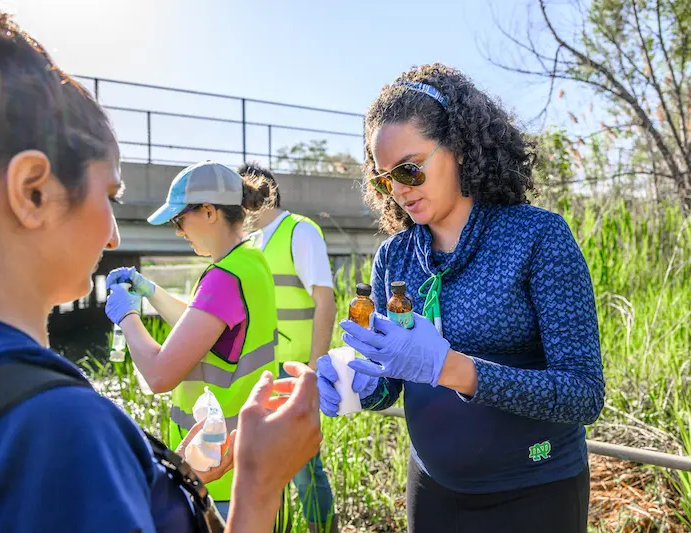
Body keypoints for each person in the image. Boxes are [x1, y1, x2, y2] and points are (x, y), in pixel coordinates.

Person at [0, 6, 321, 532]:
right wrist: (259, 487)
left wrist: (171, 475)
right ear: (33, 192)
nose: (114, 234)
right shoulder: (63, 429)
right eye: (109, 195)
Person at [316, 64, 605, 533]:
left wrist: (454, 368)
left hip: (534, 492)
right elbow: (396, 380)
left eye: (410, 168)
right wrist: (363, 382)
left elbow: (583, 395)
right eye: (385, 178)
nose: (401, 189)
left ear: (459, 148)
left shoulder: (537, 237)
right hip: (433, 494)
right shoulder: (395, 256)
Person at [104, 161, 282, 522]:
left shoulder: (222, 278)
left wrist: (127, 316)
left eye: (178, 220)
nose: (179, 232)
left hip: (217, 470)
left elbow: (158, 375)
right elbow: (206, 327)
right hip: (247, 459)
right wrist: (150, 292)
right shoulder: (248, 260)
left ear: (208, 211)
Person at [238, 163, 338, 533]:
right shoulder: (250, 242)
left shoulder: (299, 231)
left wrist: (313, 368)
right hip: (261, 371)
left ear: (266, 193)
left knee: (305, 467)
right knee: (264, 466)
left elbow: (324, 302)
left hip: (294, 369)